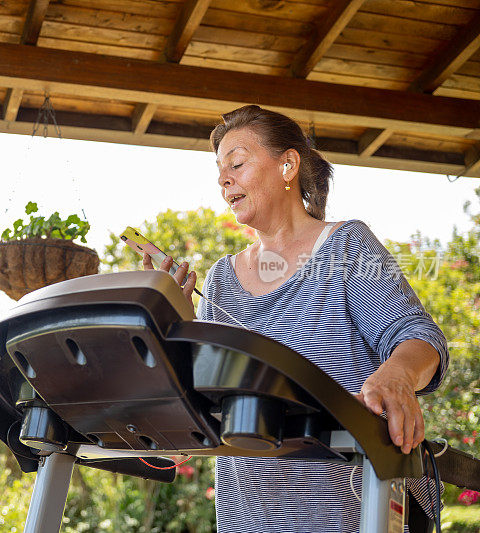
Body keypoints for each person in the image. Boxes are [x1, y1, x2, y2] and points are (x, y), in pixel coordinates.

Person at [143, 105, 449, 533]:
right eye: (219, 171)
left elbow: (418, 337)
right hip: (249, 518)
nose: (223, 179)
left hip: (350, 513)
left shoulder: (344, 247)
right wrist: (177, 321)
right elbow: (200, 411)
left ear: (287, 164)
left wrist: (398, 373)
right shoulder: (219, 282)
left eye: (237, 162)